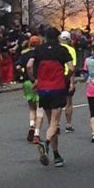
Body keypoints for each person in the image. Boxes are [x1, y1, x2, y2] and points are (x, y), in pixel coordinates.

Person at [27, 28, 74, 168]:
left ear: (46, 37)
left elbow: (29, 65)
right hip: (57, 88)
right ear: (58, 37)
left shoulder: (39, 50)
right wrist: (65, 79)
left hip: (43, 89)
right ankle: (46, 143)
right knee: (55, 123)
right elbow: (71, 68)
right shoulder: (62, 50)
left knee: (50, 122)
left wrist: (35, 79)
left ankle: (56, 155)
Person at [16, 36, 44, 144]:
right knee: (39, 108)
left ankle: (32, 125)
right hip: (39, 82)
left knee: (32, 108)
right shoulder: (41, 54)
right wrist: (34, 78)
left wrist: (22, 74)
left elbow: (18, 66)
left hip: (27, 82)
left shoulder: (25, 54)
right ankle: (36, 133)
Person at [59, 31, 77, 133]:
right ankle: (68, 125)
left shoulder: (56, 48)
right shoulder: (71, 50)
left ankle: (56, 124)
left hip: (57, 77)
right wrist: (71, 82)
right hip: (67, 76)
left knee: (57, 102)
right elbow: (72, 67)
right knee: (69, 102)